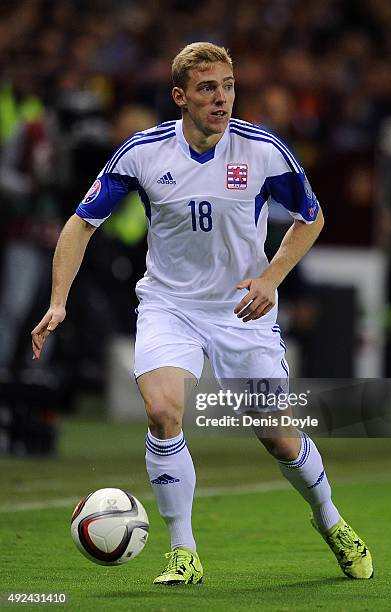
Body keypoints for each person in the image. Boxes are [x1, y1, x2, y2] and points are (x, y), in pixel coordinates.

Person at [31, 42, 373, 585]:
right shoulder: (143, 153)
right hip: (170, 305)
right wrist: (57, 300)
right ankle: (183, 553)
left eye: (229, 86)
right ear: (180, 97)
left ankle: (330, 520)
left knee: (279, 436)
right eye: (208, 88)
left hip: (243, 309)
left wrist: (271, 277)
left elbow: (311, 217)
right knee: (163, 410)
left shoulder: (263, 152)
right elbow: (80, 224)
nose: (222, 99)